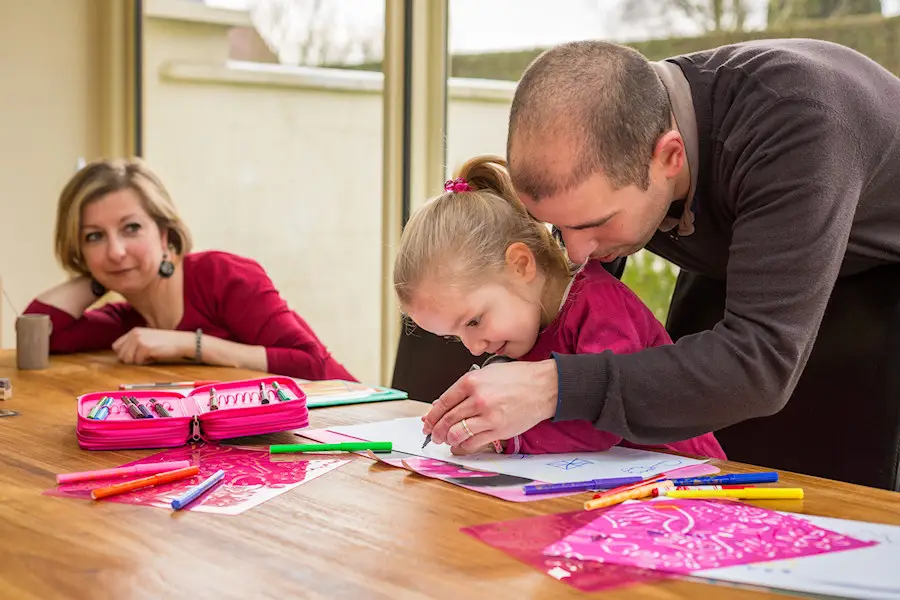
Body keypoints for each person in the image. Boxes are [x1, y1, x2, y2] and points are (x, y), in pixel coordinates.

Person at [422, 39, 900, 488]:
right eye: (557, 228)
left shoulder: (797, 125)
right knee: (708, 462)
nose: (575, 254)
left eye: (594, 224)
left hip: (878, 265)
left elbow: (759, 365)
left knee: (835, 485)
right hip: (735, 243)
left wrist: (553, 386)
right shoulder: (626, 129)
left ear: (669, 156)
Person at [395, 155, 725, 460]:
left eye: (473, 322)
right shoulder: (526, 328)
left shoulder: (600, 307)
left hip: (689, 477)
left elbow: (603, 425)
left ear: (521, 265)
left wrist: (505, 438)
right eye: (456, 336)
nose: (473, 348)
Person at [24, 157, 356, 382]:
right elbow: (42, 335)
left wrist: (187, 344)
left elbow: (311, 364)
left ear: (165, 233)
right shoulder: (130, 322)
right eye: (94, 237)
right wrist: (96, 278)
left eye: (131, 228)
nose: (115, 251)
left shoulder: (221, 276)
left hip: (361, 429)